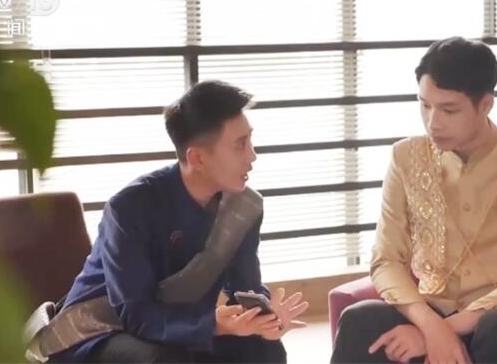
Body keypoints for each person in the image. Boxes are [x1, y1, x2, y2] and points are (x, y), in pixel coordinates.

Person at [331, 37, 497, 364]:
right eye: (424, 105)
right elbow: (386, 260)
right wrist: (430, 325)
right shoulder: (406, 156)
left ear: (485, 105)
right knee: (361, 320)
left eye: (449, 110)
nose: (433, 122)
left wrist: (446, 330)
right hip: (432, 309)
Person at [45, 80, 308, 363]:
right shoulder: (129, 208)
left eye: (250, 141)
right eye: (240, 145)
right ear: (197, 158)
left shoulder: (245, 207)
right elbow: (136, 315)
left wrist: (266, 317)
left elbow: (245, 288)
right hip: (100, 332)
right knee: (166, 360)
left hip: (176, 328)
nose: (252, 155)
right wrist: (212, 324)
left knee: (264, 349)